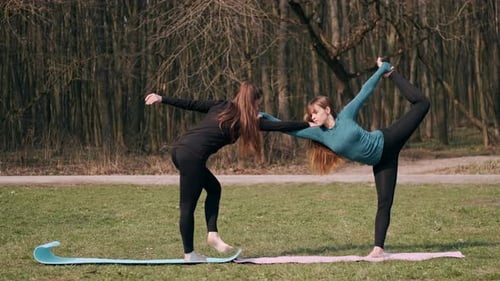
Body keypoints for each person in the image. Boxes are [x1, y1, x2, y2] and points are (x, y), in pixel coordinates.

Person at [260, 57, 430, 257]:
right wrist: (264, 117)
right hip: (383, 162)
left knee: (422, 103)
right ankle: (378, 249)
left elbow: (365, 91)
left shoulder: (346, 116)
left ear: (327, 110)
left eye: (315, 112)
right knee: (385, 201)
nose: (312, 117)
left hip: (388, 140)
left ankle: (392, 73)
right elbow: (287, 128)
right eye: (310, 114)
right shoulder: (317, 133)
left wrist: (382, 70)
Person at [145, 81, 315, 261]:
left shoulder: (221, 105)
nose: (258, 108)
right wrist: (307, 124)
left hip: (180, 150)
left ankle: (213, 235)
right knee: (187, 206)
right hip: (192, 156)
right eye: (257, 104)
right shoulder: (244, 120)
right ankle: (190, 254)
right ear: (252, 102)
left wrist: (162, 98)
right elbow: (280, 126)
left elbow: (191, 104)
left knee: (214, 188)